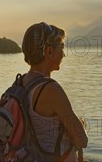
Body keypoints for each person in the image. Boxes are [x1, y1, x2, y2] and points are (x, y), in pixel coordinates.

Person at [21, 22, 88, 161]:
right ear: (49, 52)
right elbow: (82, 140)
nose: (64, 54)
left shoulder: (20, 83)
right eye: (61, 47)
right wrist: (79, 125)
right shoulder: (51, 89)